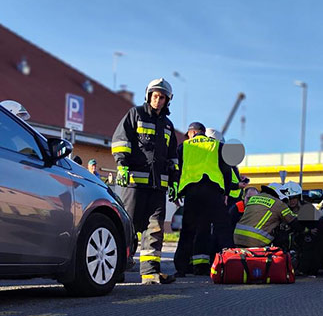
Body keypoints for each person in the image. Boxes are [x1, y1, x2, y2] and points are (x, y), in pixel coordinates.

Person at [111, 77, 179, 285]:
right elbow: (121, 140)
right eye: (155, 96)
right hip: (134, 184)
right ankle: (116, 271)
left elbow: (173, 157)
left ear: (168, 100)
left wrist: (174, 181)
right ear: (149, 96)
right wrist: (122, 165)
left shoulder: (168, 126)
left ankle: (150, 274)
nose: (158, 100)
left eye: (162, 97)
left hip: (158, 187)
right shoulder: (135, 115)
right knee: (127, 228)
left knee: (155, 230)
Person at [174, 122, 233, 276]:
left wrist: (176, 193)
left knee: (188, 231)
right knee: (222, 229)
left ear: (192, 132)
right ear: (203, 132)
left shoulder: (183, 147)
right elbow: (226, 170)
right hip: (213, 192)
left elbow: (176, 171)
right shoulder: (216, 145)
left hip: (192, 193)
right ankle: (230, 264)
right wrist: (226, 193)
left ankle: (181, 268)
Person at [233, 183, 298, 248]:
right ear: (280, 195)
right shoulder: (278, 203)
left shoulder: (253, 198)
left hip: (237, 237)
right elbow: (293, 221)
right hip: (256, 240)